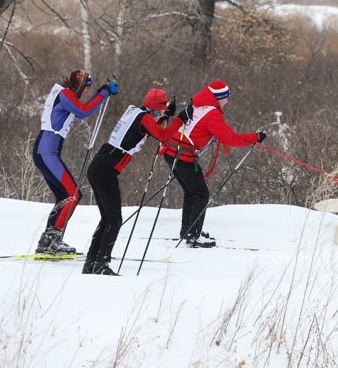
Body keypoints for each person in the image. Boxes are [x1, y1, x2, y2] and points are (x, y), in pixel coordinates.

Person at [83, 88, 182, 275]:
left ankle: (91, 263)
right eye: (164, 106)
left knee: (108, 219)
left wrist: (164, 117)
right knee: (114, 220)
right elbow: (163, 136)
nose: (165, 109)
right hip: (105, 170)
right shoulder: (145, 118)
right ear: (157, 107)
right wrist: (180, 119)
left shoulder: (137, 112)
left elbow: (148, 128)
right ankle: (101, 265)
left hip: (100, 166)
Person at [162, 80, 266, 248]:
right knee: (201, 194)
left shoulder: (197, 105)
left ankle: (188, 231)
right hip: (182, 156)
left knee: (192, 192)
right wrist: (256, 137)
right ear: (218, 98)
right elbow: (230, 139)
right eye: (225, 98)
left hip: (171, 152)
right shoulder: (212, 113)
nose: (227, 102)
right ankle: (193, 236)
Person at [33, 70, 119, 254]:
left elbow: (81, 110)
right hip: (46, 152)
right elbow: (83, 111)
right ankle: (51, 240)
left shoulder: (66, 93)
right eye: (86, 87)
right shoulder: (65, 94)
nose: (87, 91)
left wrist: (101, 92)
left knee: (65, 197)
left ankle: (48, 241)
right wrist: (104, 93)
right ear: (78, 84)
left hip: (46, 151)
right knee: (73, 195)